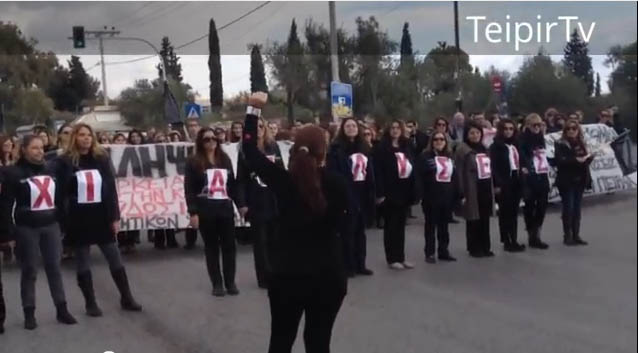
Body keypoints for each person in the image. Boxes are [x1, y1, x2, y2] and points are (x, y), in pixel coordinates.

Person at [243, 92, 348, 353]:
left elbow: (248, 150)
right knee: (319, 342)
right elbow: (343, 223)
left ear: (294, 148)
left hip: (289, 275)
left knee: (280, 341)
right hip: (329, 275)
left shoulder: (283, 181)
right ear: (324, 151)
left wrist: (253, 110)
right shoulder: (337, 184)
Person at [55, 124, 142, 316]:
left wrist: (115, 217)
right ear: (74, 138)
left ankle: (126, 297)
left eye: (88, 135)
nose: (86, 138)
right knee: (83, 260)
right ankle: (90, 302)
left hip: (101, 215)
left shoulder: (101, 158)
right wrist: (62, 221)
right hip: (78, 216)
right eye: (81, 135)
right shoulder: (64, 161)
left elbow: (110, 190)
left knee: (114, 256)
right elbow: (59, 193)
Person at [0, 135, 77, 330]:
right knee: (29, 270)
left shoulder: (51, 169)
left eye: (41, 148)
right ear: (24, 150)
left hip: (50, 224)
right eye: (34, 148)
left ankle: (61, 309)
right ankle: (29, 312)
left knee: (54, 267)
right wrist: (8, 233)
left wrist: (64, 222)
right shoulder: (12, 173)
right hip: (27, 227)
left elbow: (59, 197)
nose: (40, 151)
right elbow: (6, 204)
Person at [184, 128, 245, 296]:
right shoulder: (193, 162)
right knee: (211, 247)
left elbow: (232, 184)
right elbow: (189, 189)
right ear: (200, 142)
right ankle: (217, 283)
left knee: (229, 247)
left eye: (213, 139)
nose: (211, 142)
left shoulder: (224, 159)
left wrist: (240, 204)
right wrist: (193, 212)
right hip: (206, 211)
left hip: (225, 209)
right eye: (206, 139)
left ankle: (230, 282)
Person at [239, 116, 284, 289]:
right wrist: (242, 203)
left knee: (275, 239)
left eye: (260, 126)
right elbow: (241, 179)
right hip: (256, 200)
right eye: (254, 127)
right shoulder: (245, 150)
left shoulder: (273, 147)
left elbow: (281, 172)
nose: (257, 129)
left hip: (273, 199)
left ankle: (276, 272)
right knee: (260, 242)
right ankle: (264, 277)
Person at [327, 117, 375, 277]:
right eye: (348, 126)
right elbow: (333, 173)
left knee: (360, 231)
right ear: (343, 129)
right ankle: (348, 265)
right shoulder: (336, 149)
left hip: (362, 192)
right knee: (347, 231)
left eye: (354, 125)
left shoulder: (364, 147)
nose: (351, 128)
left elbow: (370, 171)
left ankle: (361, 263)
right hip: (346, 193)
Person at [374, 120, 417, 270]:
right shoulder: (381, 148)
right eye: (392, 128)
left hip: (404, 190)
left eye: (398, 127)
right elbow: (378, 171)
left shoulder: (407, 146)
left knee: (401, 225)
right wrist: (380, 193)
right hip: (389, 191)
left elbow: (413, 166)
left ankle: (401, 256)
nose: (395, 130)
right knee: (391, 226)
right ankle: (392, 258)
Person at [418, 131, 459, 263]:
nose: (439, 142)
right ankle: (429, 252)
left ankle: (443, 251)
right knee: (430, 226)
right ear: (432, 142)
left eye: (442, 139)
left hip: (447, 196)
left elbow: (455, 176)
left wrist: (458, 193)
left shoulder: (450, 157)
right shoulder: (425, 156)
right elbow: (421, 176)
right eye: (436, 139)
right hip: (431, 196)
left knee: (444, 226)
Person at [455, 122, 495, 258]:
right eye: (472, 133)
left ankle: (485, 246)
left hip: (485, 186)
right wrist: (461, 191)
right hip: (471, 188)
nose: (475, 135)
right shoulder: (463, 150)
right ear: (467, 135)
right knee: (473, 219)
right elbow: (459, 171)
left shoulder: (484, 148)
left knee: (485, 218)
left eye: (477, 133)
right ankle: (474, 247)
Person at [555, 119, 593, 246]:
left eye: (574, 128)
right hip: (566, 181)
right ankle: (568, 236)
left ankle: (576, 235)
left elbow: (585, 162)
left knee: (577, 208)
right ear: (565, 131)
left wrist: (590, 157)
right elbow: (560, 161)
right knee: (568, 208)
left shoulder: (581, 143)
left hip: (580, 180)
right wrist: (576, 160)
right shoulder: (560, 143)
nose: (571, 131)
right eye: (568, 129)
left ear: (578, 130)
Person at [490, 119, 526, 252]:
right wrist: (497, 183)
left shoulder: (516, 144)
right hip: (504, 182)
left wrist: (524, 168)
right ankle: (506, 241)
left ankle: (514, 239)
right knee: (505, 213)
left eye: (511, 129)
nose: (508, 131)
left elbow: (522, 160)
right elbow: (493, 167)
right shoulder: (496, 147)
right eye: (505, 129)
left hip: (516, 180)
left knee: (513, 212)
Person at [519, 113, 550, 249]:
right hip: (529, 176)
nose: (537, 127)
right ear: (528, 126)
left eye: (540, 125)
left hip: (542, 175)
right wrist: (530, 157)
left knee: (542, 206)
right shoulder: (522, 139)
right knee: (530, 206)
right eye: (534, 125)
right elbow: (521, 155)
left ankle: (537, 232)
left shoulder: (540, 138)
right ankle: (532, 235)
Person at [118, 129, 145, 253]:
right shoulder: (120, 152)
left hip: (138, 187)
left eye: (137, 136)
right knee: (122, 213)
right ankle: (122, 241)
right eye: (132, 136)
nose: (135, 138)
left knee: (134, 212)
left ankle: (132, 240)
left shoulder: (147, 149)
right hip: (122, 186)